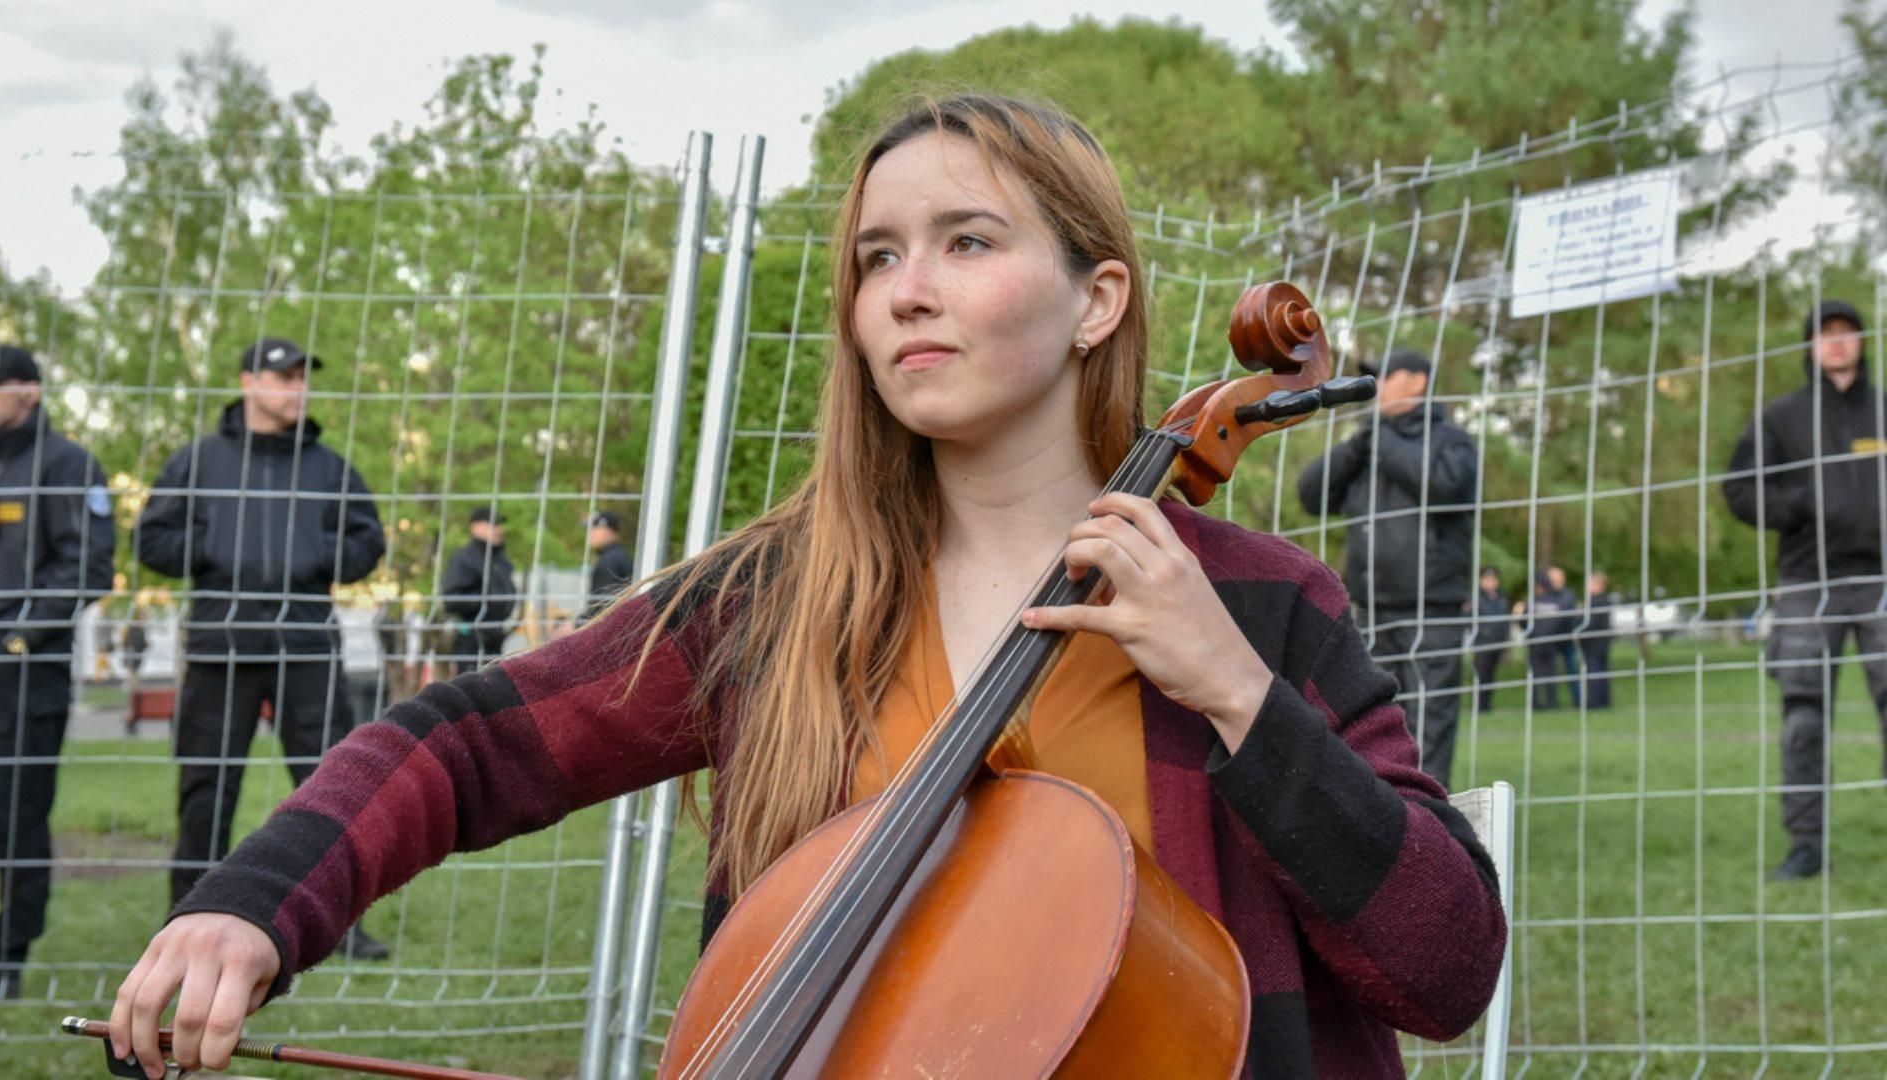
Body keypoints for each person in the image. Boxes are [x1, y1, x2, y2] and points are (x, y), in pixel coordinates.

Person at [110, 96, 1504, 1079]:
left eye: (967, 242)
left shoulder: (1262, 603)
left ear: (1097, 301)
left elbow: (1444, 969)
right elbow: (467, 742)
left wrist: (1245, 703)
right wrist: (252, 900)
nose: (906, 289)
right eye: (877, 257)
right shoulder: (779, 602)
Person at [133, 337, 390, 958]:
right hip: (223, 646)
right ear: (248, 382)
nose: (296, 388)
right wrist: (217, 547)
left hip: (305, 644)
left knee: (331, 783)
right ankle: (185, 917)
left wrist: (314, 557)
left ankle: (342, 925)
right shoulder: (197, 462)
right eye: (283, 377)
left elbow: (367, 542)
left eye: (303, 377)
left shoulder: (330, 467)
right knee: (206, 788)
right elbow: (152, 540)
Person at [0, 345, 114, 999]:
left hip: (25, 672)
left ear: (29, 391)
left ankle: (6, 960)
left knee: (15, 819)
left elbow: (87, 568)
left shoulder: (68, 463)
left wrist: (20, 638)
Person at [1723, 298, 1887, 882]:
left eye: (1847, 332)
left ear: (1863, 341)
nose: (1837, 342)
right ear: (1810, 346)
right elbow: (1738, 491)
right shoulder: (1781, 418)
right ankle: (1806, 846)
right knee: (1804, 718)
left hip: (1881, 585)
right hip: (1805, 585)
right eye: (1826, 333)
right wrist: (1801, 504)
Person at [1296, 346, 1479, 788]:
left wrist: (1381, 437)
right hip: (1371, 611)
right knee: (1375, 720)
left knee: (1431, 718)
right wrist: (1361, 441)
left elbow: (1446, 487)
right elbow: (1311, 494)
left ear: (1417, 381)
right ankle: (1385, 806)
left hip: (1430, 609)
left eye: (1388, 376)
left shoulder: (1451, 441)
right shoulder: (1367, 445)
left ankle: (1433, 813)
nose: (1378, 388)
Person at [439, 507, 517, 674]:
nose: (498, 529)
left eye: (498, 524)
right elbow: (452, 598)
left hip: (496, 636)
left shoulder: (500, 559)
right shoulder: (464, 558)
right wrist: (488, 602)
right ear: (475, 527)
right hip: (472, 637)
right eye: (492, 524)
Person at [1525, 566, 1579, 710]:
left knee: (1555, 672)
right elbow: (1524, 621)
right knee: (1540, 673)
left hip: (1559, 641)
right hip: (1543, 643)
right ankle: (1540, 703)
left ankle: (1554, 702)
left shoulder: (1566, 596)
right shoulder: (1537, 600)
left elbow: (1568, 620)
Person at [1470, 567, 1512, 712]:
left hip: (1498, 643)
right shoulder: (1475, 598)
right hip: (1483, 644)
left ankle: (1487, 705)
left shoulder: (1501, 597)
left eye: (1493, 579)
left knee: (1491, 676)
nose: (1491, 582)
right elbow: (1467, 619)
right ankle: (1479, 706)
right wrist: (1482, 632)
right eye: (1487, 579)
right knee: (1481, 675)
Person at [583, 509, 633, 619]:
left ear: (607, 530)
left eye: (595, 528)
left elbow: (601, 605)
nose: (590, 534)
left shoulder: (610, 560)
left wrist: (577, 624)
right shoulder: (619, 555)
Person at [1580, 571, 1615, 710]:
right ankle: (1603, 701)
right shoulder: (1604, 600)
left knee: (1595, 673)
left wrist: (1580, 632)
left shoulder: (1595, 602)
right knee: (1602, 672)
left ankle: (1595, 702)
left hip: (1593, 644)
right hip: (1602, 643)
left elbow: (1590, 624)